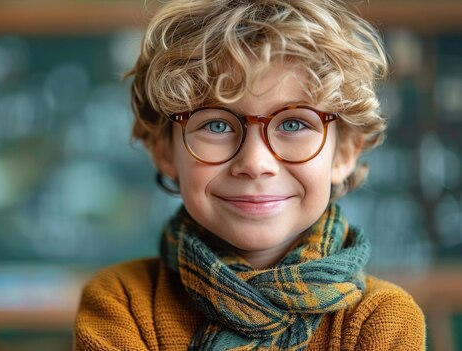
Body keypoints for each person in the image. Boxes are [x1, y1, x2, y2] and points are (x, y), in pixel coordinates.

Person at [74, 0, 426, 349]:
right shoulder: (123, 303)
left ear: (345, 152)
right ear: (165, 151)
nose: (255, 162)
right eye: (215, 124)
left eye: (293, 123)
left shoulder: (379, 320)